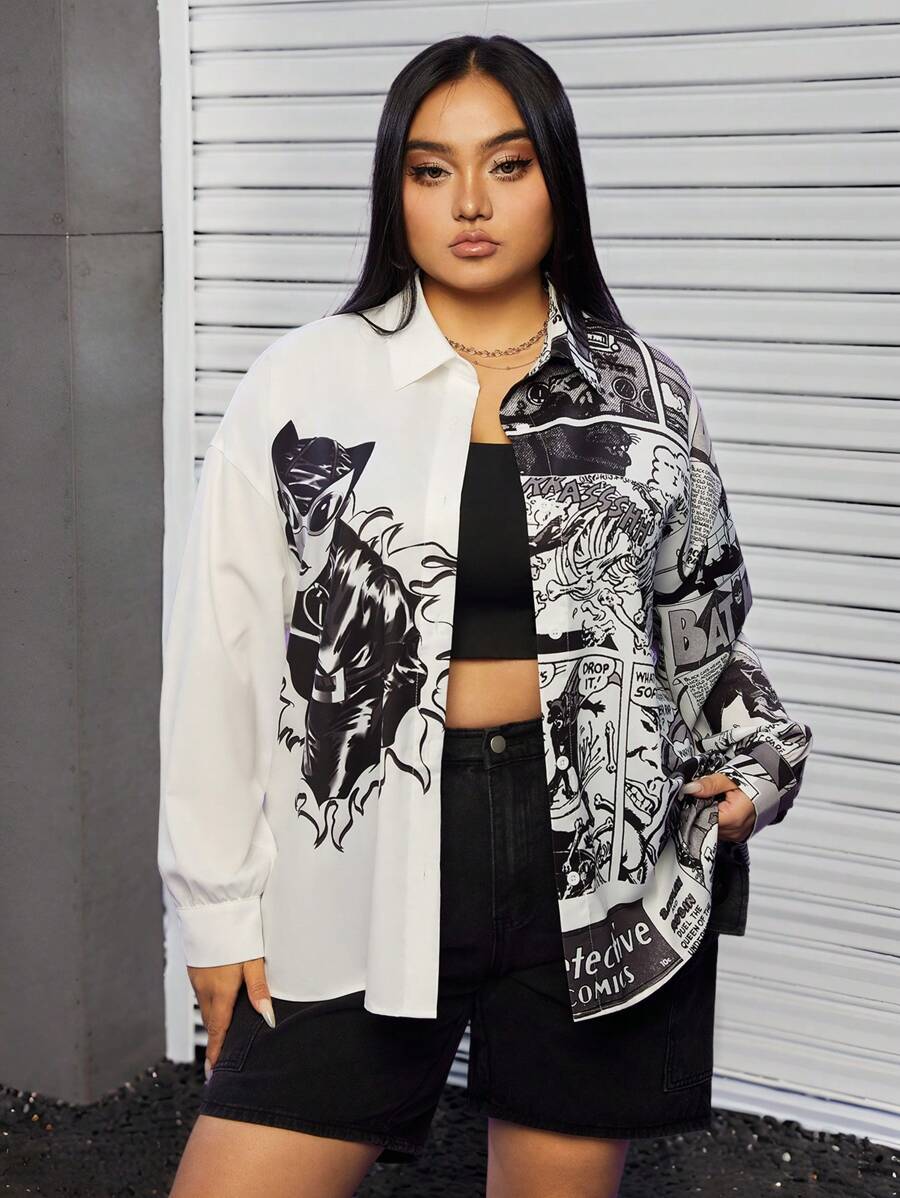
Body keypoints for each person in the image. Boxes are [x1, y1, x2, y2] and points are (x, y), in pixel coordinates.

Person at [159, 33, 813, 1198]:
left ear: (557, 179)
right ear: (395, 190)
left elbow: (705, 635)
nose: (470, 202)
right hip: (362, 850)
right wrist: (215, 911)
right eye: (431, 169)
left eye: (507, 165)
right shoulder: (304, 382)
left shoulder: (647, 396)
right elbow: (221, 656)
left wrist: (753, 771)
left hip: (601, 861)